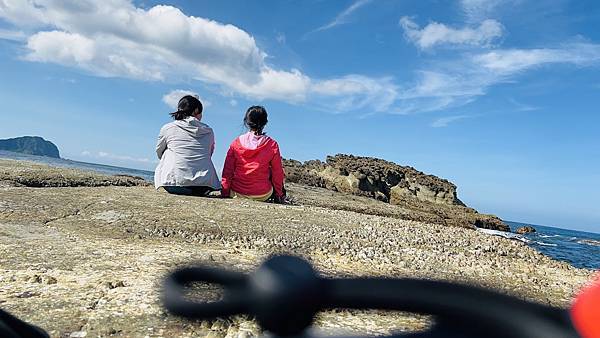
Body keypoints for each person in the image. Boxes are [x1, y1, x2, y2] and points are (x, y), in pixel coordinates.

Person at [154, 95, 221, 196]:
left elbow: (159, 152)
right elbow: (209, 153)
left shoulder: (168, 128)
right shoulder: (209, 131)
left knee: (169, 150)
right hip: (204, 186)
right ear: (196, 111)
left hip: (174, 185)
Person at [221, 106, 286, 203]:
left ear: (246, 122)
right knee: (273, 170)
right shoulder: (272, 144)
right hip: (262, 194)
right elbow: (278, 173)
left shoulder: (236, 143)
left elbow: (228, 171)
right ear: (265, 122)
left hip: (237, 192)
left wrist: (225, 192)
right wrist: (279, 194)